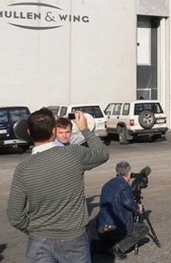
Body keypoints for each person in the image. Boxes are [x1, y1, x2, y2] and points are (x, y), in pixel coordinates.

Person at [7, 108, 109, 263]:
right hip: (74, 239)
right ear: (54, 131)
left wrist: (34, 229)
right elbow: (102, 153)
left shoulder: (23, 168)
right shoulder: (73, 154)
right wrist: (84, 129)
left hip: (39, 241)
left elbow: (15, 216)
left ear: (29, 132)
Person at [97, 161, 150, 259]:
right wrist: (138, 207)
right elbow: (128, 203)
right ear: (129, 173)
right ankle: (118, 248)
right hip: (113, 229)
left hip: (101, 227)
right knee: (143, 229)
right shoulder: (124, 186)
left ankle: (106, 244)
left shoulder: (107, 184)